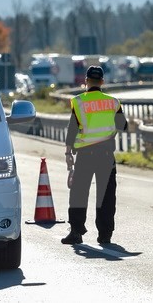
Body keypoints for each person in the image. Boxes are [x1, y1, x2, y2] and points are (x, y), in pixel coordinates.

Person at [61, 65, 128, 245]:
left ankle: (76, 232)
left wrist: (68, 153)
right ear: (103, 82)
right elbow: (123, 126)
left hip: (85, 154)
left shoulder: (79, 102)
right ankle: (105, 235)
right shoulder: (113, 102)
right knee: (106, 196)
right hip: (106, 155)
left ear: (86, 82)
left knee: (79, 194)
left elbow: (72, 129)